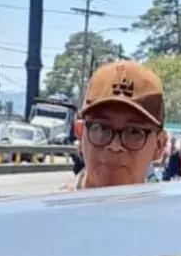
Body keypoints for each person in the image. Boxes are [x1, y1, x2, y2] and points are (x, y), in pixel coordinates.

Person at [68, 60, 169, 189]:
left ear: (159, 145)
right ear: (80, 133)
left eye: (133, 132)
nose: (115, 146)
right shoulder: (50, 208)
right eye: (102, 128)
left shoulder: (169, 209)